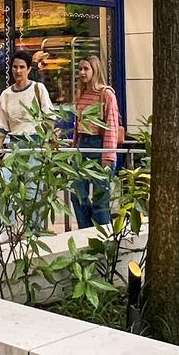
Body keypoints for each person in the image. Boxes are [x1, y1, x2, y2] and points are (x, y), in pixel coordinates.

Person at [69, 56, 121, 228]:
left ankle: (103, 237)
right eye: (80, 69)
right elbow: (78, 125)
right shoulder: (81, 94)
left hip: (99, 145)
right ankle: (85, 231)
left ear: (95, 71)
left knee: (100, 201)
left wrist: (108, 156)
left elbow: (111, 126)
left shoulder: (106, 94)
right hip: (83, 145)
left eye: (86, 69)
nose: (82, 73)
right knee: (77, 194)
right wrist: (74, 148)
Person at [0, 50, 53, 139]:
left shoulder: (38, 88)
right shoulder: (6, 94)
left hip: (37, 144)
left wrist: (48, 141)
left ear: (28, 69)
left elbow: (50, 118)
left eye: (22, 67)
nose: (18, 71)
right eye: (15, 67)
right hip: (15, 144)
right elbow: (1, 127)